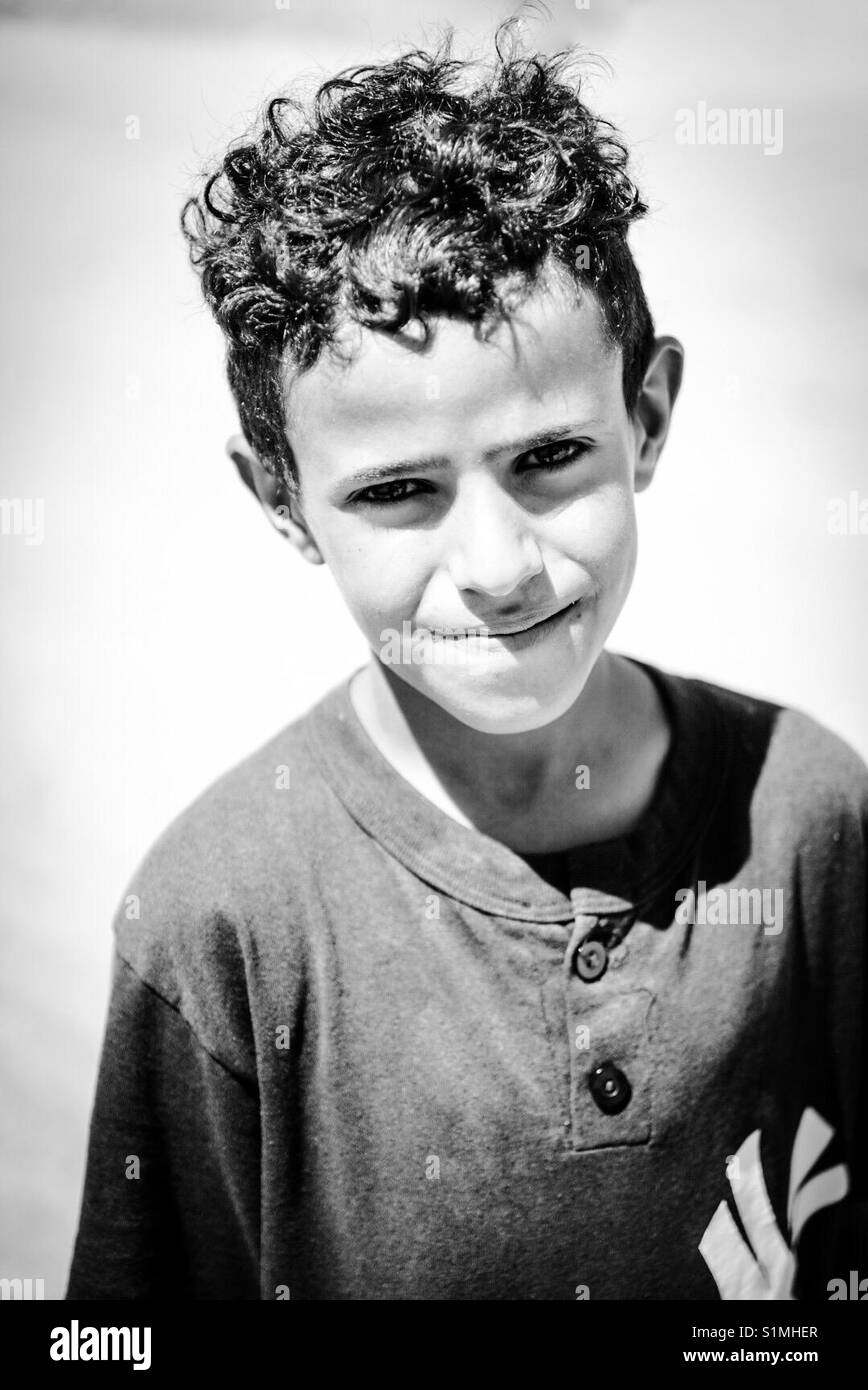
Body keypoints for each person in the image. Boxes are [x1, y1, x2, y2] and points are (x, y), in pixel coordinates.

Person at [67, 22, 867, 1300]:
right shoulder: (220, 919)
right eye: (396, 489)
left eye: (549, 458)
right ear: (281, 499)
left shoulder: (808, 814)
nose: (496, 564)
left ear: (646, 415)